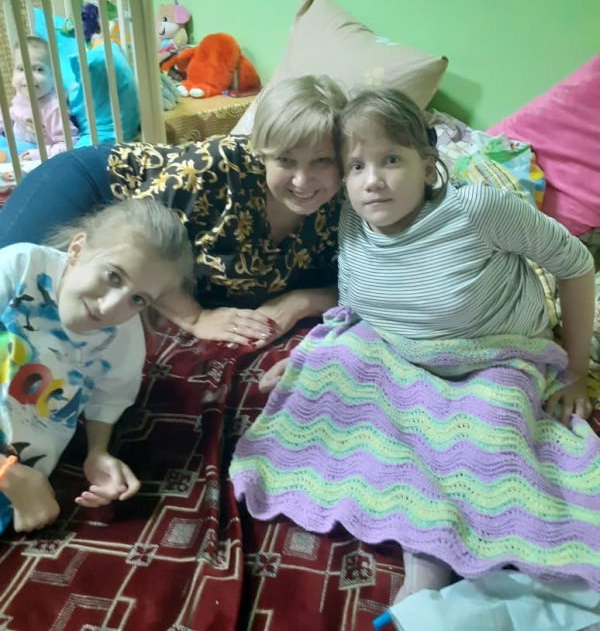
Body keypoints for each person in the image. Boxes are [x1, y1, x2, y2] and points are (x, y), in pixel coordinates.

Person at [230, 88, 600, 602]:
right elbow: (360, 306)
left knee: (483, 434)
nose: (372, 180)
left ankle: (431, 562)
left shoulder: (477, 210)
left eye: (391, 160)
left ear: (427, 167)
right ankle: (408, 527)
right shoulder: (351, 220)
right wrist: (308, 356)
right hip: (398, 348)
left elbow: (577, 265)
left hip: (493, 353)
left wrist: (575, 372)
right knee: (333, 392)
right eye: (355, 166)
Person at [0, 75, 347, 347]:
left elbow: (361, 283)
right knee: (16, 285)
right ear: (263, 153)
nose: (303, 180)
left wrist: (300, 302)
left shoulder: (348, 204)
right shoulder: (218, 166)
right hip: (98, 183)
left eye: (322, 161)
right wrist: (195, 318)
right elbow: (140, 246)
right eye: (286, 160)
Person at [0, 198, 194, 534]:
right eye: (113, 276)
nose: (110, 307)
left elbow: (109, 396)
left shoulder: (124, 336)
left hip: (22, 493)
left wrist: (97, 452)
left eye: (138, 299)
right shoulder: (18, 268)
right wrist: (7, 474)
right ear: (77, 249)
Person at [0, 36, 79, 161]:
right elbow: (12, 115)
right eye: (21, 69)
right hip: (16, 140)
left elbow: (70, 143)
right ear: (13, 74)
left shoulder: (53, 108)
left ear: (52, 77)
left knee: (3, 156)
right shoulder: (22, 93)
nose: (28, 76)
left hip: (36, 151)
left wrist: (39, 154)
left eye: (38, 69)